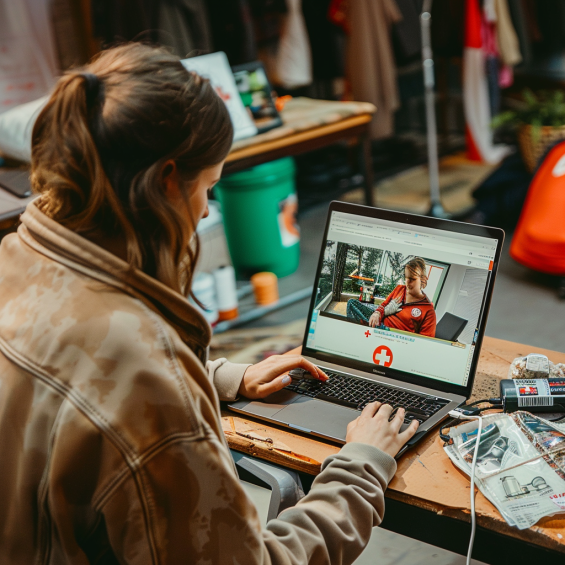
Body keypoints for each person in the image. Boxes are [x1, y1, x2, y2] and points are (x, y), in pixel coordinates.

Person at [0, 44, 419, 564]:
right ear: (168, 182)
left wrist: (223, 378)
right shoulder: (144, 380)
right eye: (210, 186)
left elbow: (84, 382)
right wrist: (362, 463)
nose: (204, 213)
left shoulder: (16, 258)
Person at [347, 257, 437, 337]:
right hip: (380, 321)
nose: (407, 282)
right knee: (352, 303)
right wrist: (378, 313)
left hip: (392, 334)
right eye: (406, 277)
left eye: (412, 279)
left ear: (423, 280)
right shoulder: (400, 289)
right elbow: (384, 304)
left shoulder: (428, 311)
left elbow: (424, 342)